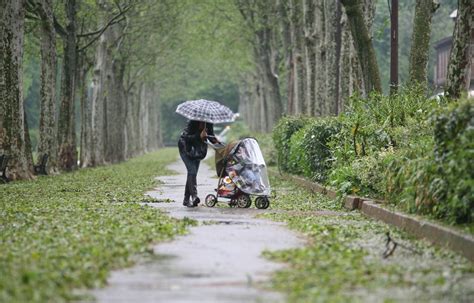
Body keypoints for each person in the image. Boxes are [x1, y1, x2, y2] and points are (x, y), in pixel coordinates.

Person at [178, 120, 220, 207]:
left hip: (198, 151)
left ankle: (186, 200)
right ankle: (194, 196)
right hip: (186, 148)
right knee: (192, 171)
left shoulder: (209, 123)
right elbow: (186, 137)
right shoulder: (192, 122)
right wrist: (198, 136)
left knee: (192, 174)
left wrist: (214, 140)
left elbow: (210, 135)